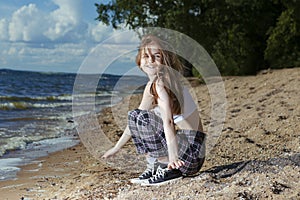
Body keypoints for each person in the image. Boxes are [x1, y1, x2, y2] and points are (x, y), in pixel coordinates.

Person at [102, 35, 206, 186]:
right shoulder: (153, 85)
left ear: (164, 61)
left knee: (143, 118)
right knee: (135, 116)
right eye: (146, 55)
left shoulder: (162, 84)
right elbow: (134, 122)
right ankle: (156, 166)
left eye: (156, 56)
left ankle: (168, 168)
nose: (150, 60)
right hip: (191, 155)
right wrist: (116, 147)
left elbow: (169, 122)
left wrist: (173, 158)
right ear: (139, 60)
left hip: (190, 155)